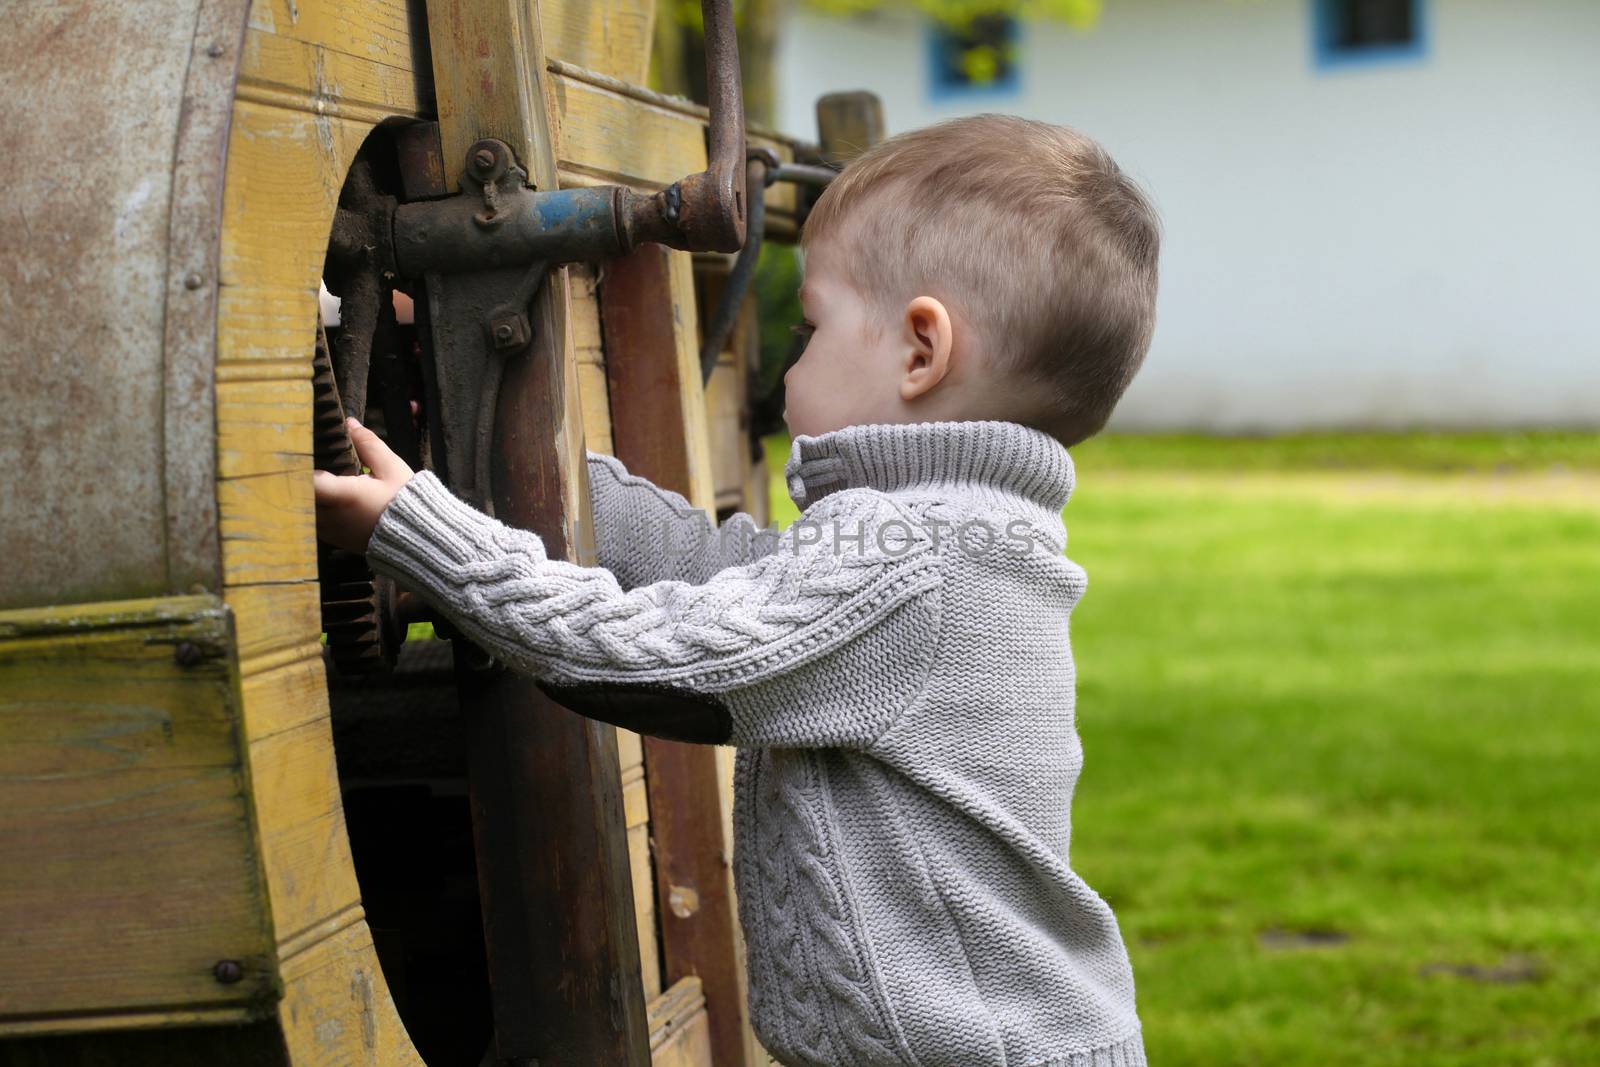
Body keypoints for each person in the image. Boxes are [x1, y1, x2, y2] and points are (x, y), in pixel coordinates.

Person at [314, 112, 1160, 1067]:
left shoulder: (912, 556)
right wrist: (512, 451)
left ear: (921, 351)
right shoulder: (961, 534)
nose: (789, 358)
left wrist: (421, 536)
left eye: (811, 325)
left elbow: (649, 659)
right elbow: (717, 573)